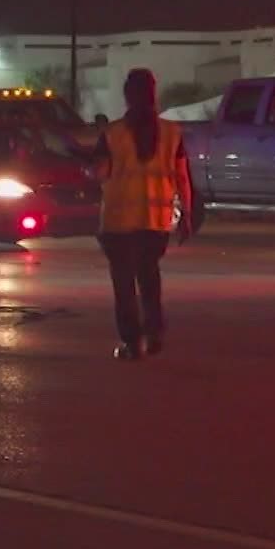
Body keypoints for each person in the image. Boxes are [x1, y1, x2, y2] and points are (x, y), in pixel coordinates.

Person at [93, 68, 193, 360]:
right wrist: (185, 215)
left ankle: (131, 343)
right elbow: (182, 177)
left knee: (124, 286)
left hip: (118, 222)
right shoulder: (172, 133)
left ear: (127, 96)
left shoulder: (112, 134)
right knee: (149, 279)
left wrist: (89, 169)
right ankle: (154, 334)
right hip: (155, 222)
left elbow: (100, 171)